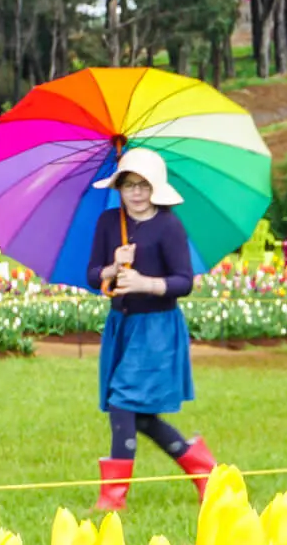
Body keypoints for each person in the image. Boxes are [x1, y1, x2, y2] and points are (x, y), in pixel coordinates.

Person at [84, 147, 216, 508]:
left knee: (122, 402)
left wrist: (145, 283)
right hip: (121, 327)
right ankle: (203, 469)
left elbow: (183, 282)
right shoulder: (110, 223)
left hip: (157, 327)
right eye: (129, 185)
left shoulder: (169, 225)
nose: (137, 193)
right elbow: (93, 274)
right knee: (138, 414)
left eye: (144, 185)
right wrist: (113, 267)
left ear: (156, 188)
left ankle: (113, 498)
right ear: (119, 188)